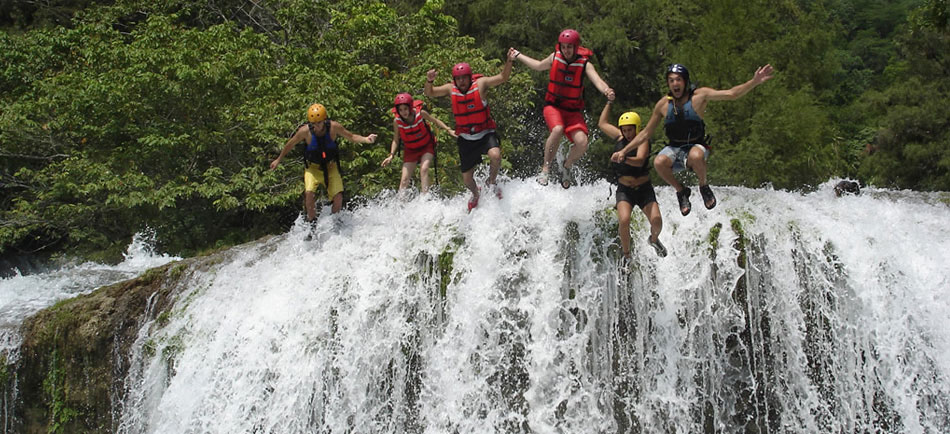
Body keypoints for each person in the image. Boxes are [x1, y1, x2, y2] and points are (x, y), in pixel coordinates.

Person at [612, 63, 774, 215]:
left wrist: (755, 81)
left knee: (696, 155)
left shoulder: (700, 96)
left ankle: (703, 186)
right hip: (675, 148)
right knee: (658, 162)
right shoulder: (663, 104)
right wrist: (624, 151)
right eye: (671, 81)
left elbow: (732, 94)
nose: (675, 84)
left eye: (678, 80)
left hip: (696, 146)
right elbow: (646, 133)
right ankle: (681, 190)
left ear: (685, 81)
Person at [511, 29, 615, 188]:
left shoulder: (585, 64)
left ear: (576, 47)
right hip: (553, 107)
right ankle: (545, 167)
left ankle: (566, 166)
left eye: (569, 47)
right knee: (558, 129)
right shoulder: (555, 57)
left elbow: (598, 81)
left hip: (573, 111)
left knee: (582, 142)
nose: (566, 50)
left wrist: (607, 90)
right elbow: (538, 66)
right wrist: (518, 55)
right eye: (564, 47)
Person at [424, 49, 517, 211]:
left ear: (469, 77)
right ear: (455, 80)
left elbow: (503, 77)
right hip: (466, 138)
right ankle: (475, 193)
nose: (461, 81)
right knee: (467, 180)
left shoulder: (480, 84)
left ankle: (492, 182)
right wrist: (429, 80)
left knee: (495, 155)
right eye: (458, 78)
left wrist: (509, 61)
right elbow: (429, 93)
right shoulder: (449, 89)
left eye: (464, 78)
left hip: (485, 133)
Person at [270, 103, 377, 221]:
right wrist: (278, 159)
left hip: (331, 166)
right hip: (312, 168)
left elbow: (351, 137)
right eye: (313, 123)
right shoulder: (305, 131)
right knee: (309, 193)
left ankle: (334, 222)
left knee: (338, 197)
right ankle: (312, 223)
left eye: (319, 122)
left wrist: (366, 139)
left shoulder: (334, 127)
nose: (316, 126)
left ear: (324, 120)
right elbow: (290, 144)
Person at [598, 97, 667, 263]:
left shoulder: (642, 140)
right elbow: (602, 123)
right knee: (624, 220)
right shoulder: (619, 137)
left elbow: (640, 160)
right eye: (625, 130)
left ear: (637, 129)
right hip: (625, 190)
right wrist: (609, 103)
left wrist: (622, 158)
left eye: (630, 130)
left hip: (643, 189)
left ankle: (654, 239)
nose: (627, 134)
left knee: (657, 221)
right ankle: (627, 255)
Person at [381, 93, 456, 195]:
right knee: (404, 180)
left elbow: (435, 121)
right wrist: (391, 155)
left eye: (405, 109)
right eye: (401, 110)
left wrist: (448, 129)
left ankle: (425, 199)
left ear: (410, 107)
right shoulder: (397, 121)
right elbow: (395, 140)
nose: (404, 112)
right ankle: (400, 205)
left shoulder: (421, 114)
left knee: (424, 169)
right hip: (410, 150)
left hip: (426, 146)